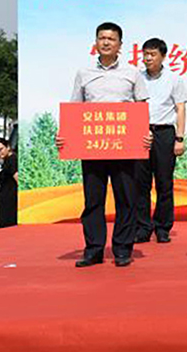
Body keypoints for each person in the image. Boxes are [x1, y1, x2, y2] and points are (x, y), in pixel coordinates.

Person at [57, 22, 151, 268]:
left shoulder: (132, 73)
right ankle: (94, 250)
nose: (106, 42)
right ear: (95, 42)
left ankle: (122, 249)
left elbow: (141, 108)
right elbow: (75, 108)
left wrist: (145, 134)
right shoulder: (84, 73)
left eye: (111, 38)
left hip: (124, 146)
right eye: (102, 38)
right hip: (92, 145)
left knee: (126, 199)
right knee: (93, 200)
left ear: (120, 45)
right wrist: (64, 135)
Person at [134, 38, 187, 244]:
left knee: (164, 182)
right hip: (140, 133)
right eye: (145, 54)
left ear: (163, 56)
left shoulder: (174, 79)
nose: (148, 58)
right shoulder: (136, 77)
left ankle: (163, 227)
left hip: (165, 133)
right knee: (140, 183)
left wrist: (179, 138)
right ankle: (142, 227)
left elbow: (180, 108)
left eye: (152, 54)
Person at [0, 138, 17, 229]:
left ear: (8, 147)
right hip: (5, 204)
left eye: (0, 149)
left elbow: (18, 179)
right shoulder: (6, 160)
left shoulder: (12, 160)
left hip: (10, 206)